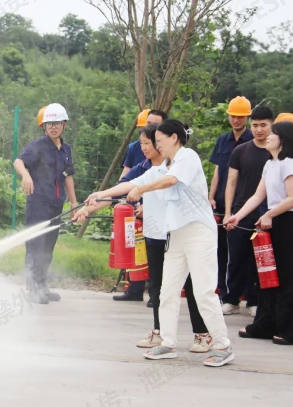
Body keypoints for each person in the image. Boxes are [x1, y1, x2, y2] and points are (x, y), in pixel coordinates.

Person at [73, 124, 213, 354]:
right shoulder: (147, 169)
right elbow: (125, 187)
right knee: (160, 288)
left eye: (150, 143)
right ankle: (162, 334)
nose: (146, 148)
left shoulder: (181, 164)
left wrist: (142, 192)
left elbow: (166, 184)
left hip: (179, 234)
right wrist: (97, 198)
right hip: (155, 235)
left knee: (193, 287)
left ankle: (204, 334)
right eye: (143, 143)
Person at [225, 121, 293, 345]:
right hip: (274, 221)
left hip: (290, 224)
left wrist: (270, 214)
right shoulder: (270, 164)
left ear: (284, 139)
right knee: (268, 276)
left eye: (273, 134)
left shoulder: (289, 164)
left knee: (290, 278)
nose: (268, 137)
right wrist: (237, 216)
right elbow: (257, 196)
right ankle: (265, 324)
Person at [13, 103, 77, 304]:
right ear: (44, 126)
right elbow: (18, 162)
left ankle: (42, 286)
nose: (53, 127)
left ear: (64, 125)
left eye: (57, 123)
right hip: (38, 204)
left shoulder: (66, 149)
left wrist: (73, 202)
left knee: (48, 247)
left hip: (56, 205)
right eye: (49, 124)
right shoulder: (37, 146)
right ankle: (32, 289)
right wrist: (25, 175)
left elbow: (68, 176)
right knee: (35, 246)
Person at [221, 105, 273, 317]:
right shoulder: (241, 150)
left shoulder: (275, 152)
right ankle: (231, 299)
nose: (259, 129)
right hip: (240, 212)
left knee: (258, 260)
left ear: (272, 126)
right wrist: (228, 212)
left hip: (266, 213)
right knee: (235, 258)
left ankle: (254, 301)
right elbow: (231, 183)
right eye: (256, 125)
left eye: (263, 125)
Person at [115, 109, 168, 303]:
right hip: (138, 208)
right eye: (147, 124)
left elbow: (165, 187)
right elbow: (126, 180)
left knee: (160, 257)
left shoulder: (174, 164)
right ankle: (137, 289)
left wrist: (149, 204)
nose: (144, 147)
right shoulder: (141, 159)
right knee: (138, 249)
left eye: (155, 126)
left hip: (166, 222)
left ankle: (160, 295)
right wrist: (107, 197)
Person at [209, 96, 253, 302]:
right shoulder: (223, 140)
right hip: (221, 202)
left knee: (244, 251)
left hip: (244, 202)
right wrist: (211, 196)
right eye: (233, 116)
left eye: (241, 117)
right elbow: (218, 170)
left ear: (248, 118)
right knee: (222, 251)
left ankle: (247, 295)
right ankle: (225, 293)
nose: (236, 120)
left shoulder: (253, 140)